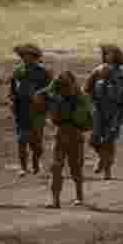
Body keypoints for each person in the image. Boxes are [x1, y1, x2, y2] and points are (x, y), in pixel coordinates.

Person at [36, 70, 92, 208]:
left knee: (76, 168)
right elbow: (38, 96)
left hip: (76, 135)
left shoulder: (81, 98)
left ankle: (79, 196)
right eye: (62, 84)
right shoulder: (56, 95)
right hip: (60, 134)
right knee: (56, 168)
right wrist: (52, 85)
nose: (65, 87)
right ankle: (55, 200)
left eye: (67, 83)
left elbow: (88, 115)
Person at [83, 44, 123, 179]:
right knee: (93, 140)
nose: (109, 56)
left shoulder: (121, 74)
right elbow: (86, 89)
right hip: (98, 109)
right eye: (107, 53)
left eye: (112, 53)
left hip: (115, 110)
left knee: (109, 141)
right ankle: (102, 158)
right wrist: (88, 105)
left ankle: (107, 170)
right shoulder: (97, 71)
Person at [7, 44, 52, 176]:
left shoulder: (44, 72)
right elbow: (12, 89)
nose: (26, 58)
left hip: (38, 111)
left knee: (36, 141)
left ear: (35, 57)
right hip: (21, 109)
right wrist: (12, 100)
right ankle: (23, 167)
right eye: (23, 56)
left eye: (29, 55)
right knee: (21, 139)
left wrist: (42, 99)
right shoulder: (17, 71)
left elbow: (51, 90)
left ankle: (36, 163)